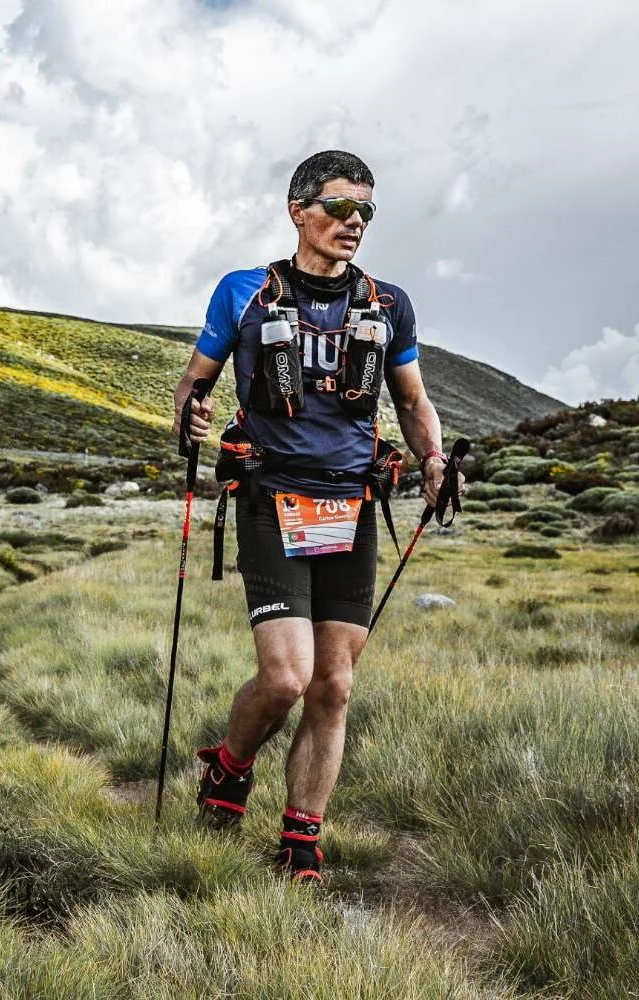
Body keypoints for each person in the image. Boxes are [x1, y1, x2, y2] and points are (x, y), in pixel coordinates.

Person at [171, 149, 462, 884]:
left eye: (365, 210)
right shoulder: (244, 293)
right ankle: (229, 766)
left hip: (352, 505)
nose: (353, 222)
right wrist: (191, 420)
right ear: (298, 210)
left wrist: (431, 460)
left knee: (334, 684)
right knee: (287, 679)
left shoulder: (388, 304)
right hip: (272, 499)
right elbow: (193, 386)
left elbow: (411, 400)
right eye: (338, 207)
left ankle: (301, 841)